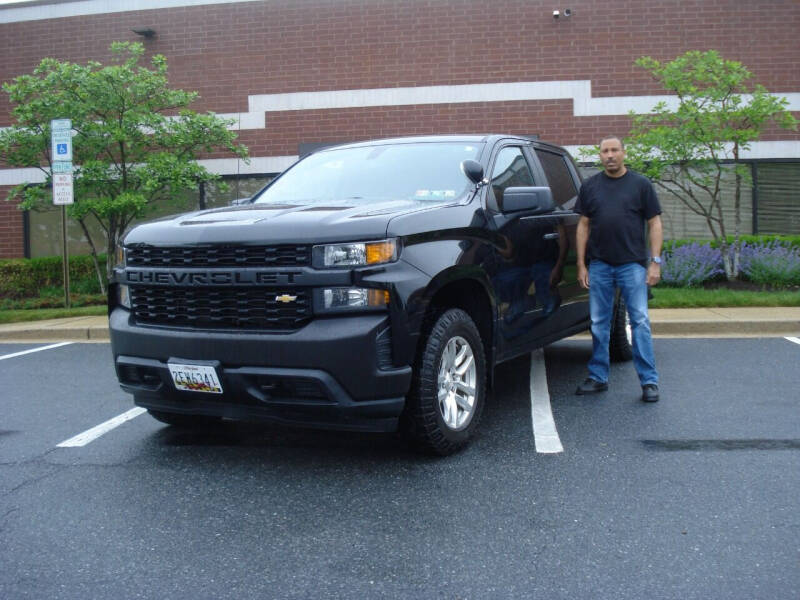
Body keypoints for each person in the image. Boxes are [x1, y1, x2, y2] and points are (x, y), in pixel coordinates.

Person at [574, 136, 663, 402]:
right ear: (599, 156)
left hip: (632, 266)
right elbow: (583, 226)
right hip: (600, 265)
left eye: (614, 150)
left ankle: (649, 382)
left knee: (640, 322)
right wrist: (581, 264)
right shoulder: (590, 186)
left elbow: (655, 224)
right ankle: (598, 377)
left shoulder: (641, 185)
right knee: (599, 324)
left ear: (624, 153)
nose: (610, 155)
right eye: (605, 151)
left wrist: (655, 262)